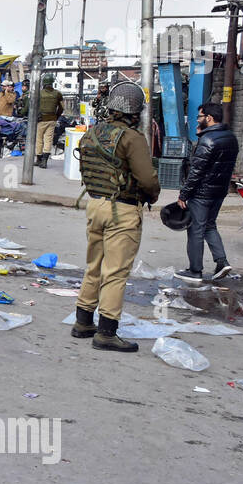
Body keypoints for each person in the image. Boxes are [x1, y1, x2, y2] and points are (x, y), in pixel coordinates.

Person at [70, 81, 160, 353]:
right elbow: (147, 179)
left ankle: (83, 321)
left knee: (94, 264)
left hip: (95, 205)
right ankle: (106, 332)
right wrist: (153, 196)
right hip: (122, 210)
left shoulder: (93, 132)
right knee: (116, 272)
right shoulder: (132, 139)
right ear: (136, 112)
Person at [176, 102, 238, 282]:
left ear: (209, 118)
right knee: (210, 225)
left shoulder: (208, 140)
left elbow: (197, 171)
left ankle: (195, 271)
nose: (198, 120)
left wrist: (184, 194)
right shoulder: (230, 137)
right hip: (219, 192)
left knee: (196, 230)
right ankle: (222, 262)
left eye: (199, 117)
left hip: (202, 194)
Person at [33, 74, 65, 168]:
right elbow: (62, 107)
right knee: (48, 139)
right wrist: (57, 116)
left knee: (39, 139)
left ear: (43, 83)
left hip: (41, 120)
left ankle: (38, 159)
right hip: (52, 119)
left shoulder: (39, 93)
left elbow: (34, 107)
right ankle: (44, 161)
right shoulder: (57, 93)